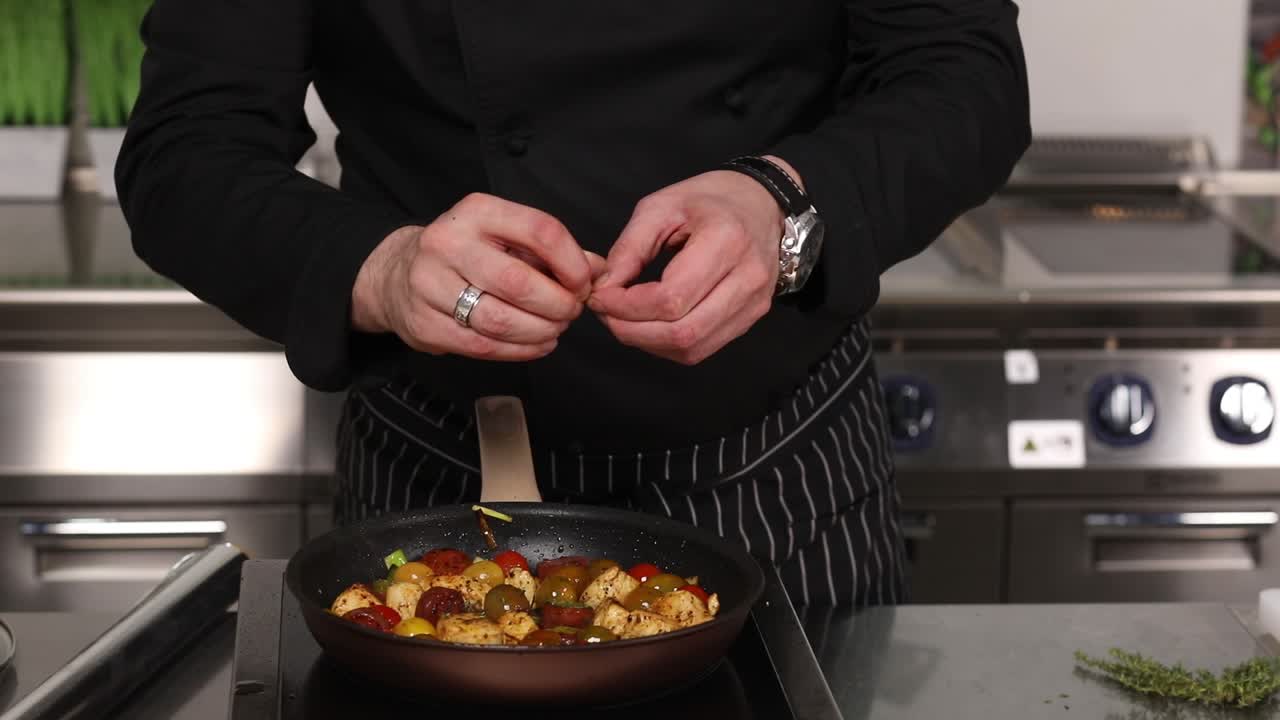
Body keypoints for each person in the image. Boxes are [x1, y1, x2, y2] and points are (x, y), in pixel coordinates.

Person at [116, 0, 1029, 607]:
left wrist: (785, 202)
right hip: (437, 471)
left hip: (782, 470)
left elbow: (964, 74)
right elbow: (184, 152)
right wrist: (382, 268)